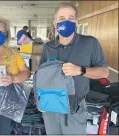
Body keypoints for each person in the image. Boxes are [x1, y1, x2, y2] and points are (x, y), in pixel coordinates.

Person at [39, 2, 109, 135]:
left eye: (71, 18)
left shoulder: (90, 43)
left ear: (77, 21)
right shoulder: (48, 47)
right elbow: (42, 75)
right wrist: (40, 99)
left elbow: (104, 72)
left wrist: (81, 70)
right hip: (51, 106)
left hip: (75, 108)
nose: (66, 21)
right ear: (55, 23)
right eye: (62, 19)